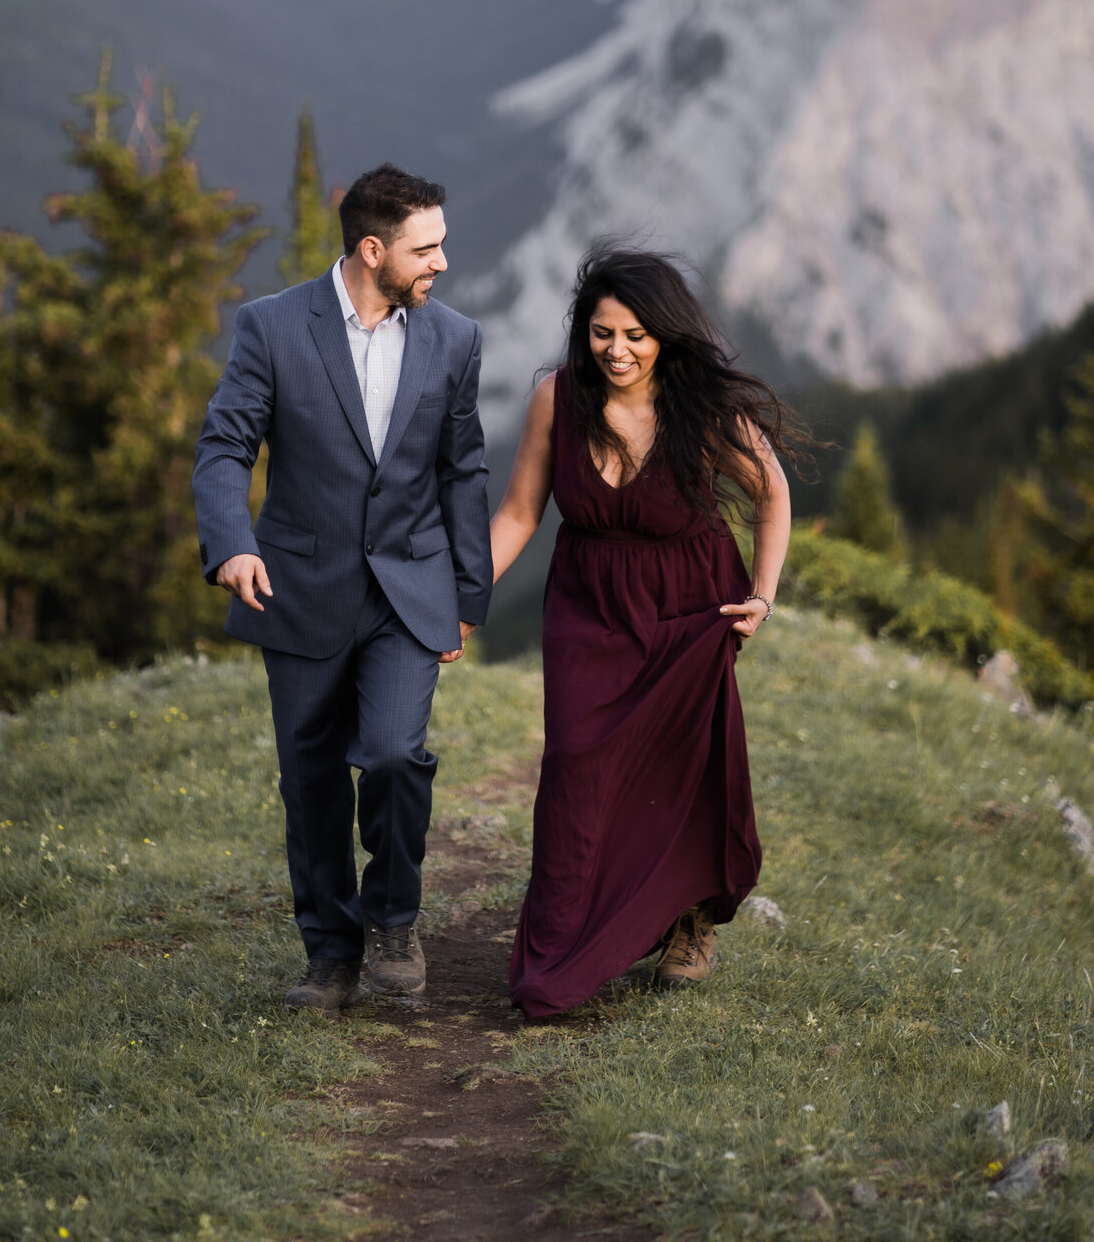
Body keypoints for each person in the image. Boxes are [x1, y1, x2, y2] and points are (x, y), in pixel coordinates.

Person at [192, 164, 492, 1013]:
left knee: (396, 754)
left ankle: (395, 919)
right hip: (297, 586)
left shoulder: (456, 340)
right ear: (372, 250)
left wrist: (467, 598)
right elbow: (224, 448)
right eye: (425, 247)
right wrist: (231, 546)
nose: (442, 261)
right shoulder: (272, 327)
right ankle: (330, 950)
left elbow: (462, 471)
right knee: (311, 777)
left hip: (409, 591)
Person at [490, 248, 795, 1020]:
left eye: (634, 334)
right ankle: (559, 946)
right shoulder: (557, 402)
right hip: (588, 607)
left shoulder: (703, 409)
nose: (617, 351)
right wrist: (462, 598)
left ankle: (691, 921)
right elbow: (521, 513)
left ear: (663, 334)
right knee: (575, 767)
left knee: (686, 767)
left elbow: (770, 493)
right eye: (600, 334)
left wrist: (761, 595)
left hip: (690, 606)